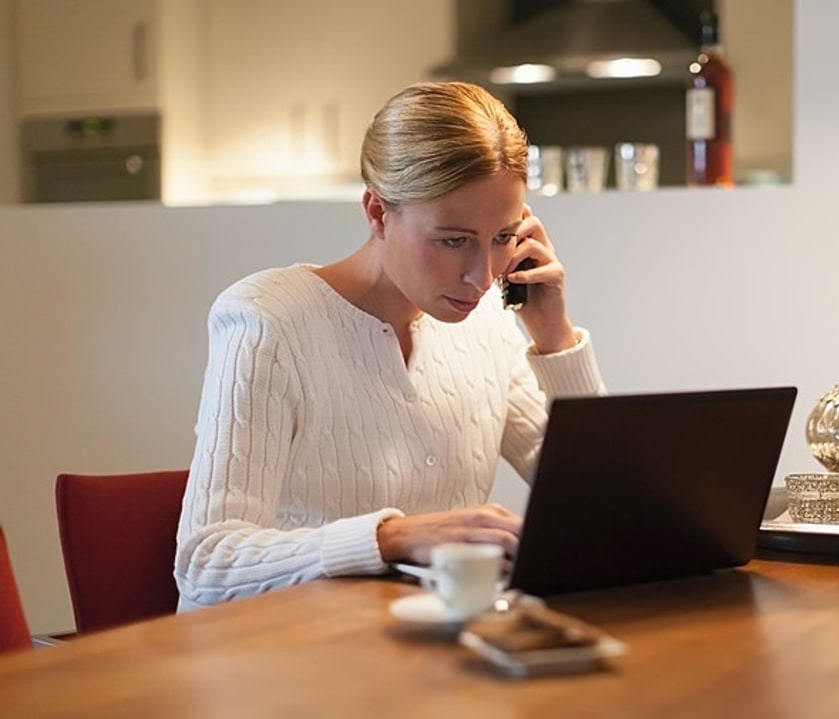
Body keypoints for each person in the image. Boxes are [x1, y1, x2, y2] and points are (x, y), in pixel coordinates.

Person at [174, 82, 606, 611]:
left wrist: (554, 337)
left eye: (502, 238)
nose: (482, 276)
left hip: (434, 655)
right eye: (453, 240)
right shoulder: (268, 320)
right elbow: (205, 564)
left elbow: (605, 504)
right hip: (287, 662)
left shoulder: (486, 319)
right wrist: (394, 538)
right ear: (378, 212)